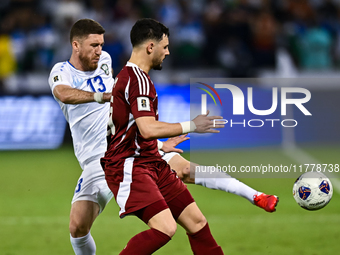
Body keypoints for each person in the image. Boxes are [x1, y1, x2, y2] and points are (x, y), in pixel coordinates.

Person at [49, 18, 277, 255]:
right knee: (78, 227)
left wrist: (155, 143)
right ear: (75, 45)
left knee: (189, 180)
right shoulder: (62, 72)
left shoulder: (108, 63)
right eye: (93, 45)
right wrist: (103, 96)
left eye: (101, 45)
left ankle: (255, 195)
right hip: (100, 160)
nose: (99, 51)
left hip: (132, 147)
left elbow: (127, 115)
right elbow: (64, 94)